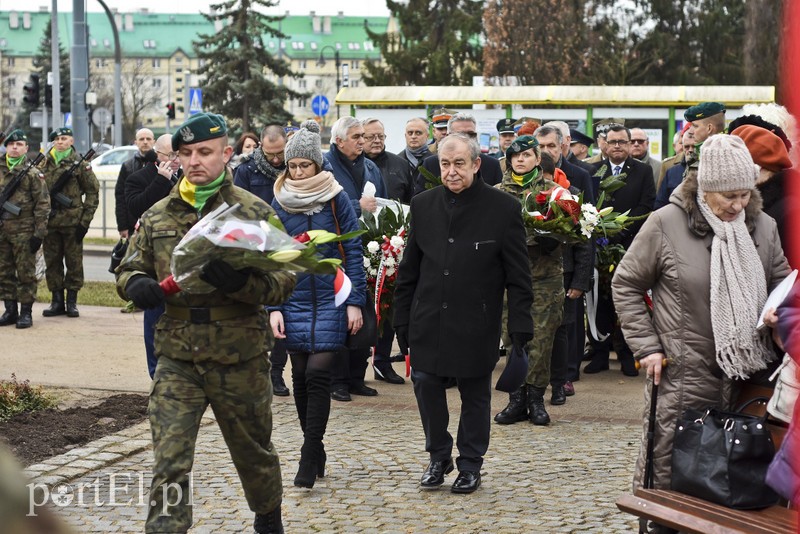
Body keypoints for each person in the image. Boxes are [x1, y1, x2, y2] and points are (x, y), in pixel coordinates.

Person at [116, 113, 294, 534]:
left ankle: (268, 516)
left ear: (226, 154)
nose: (195, 161)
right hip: (178, 356)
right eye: (186, 153)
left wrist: (243, 285)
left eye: (205, 152)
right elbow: (128, 269)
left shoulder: (253, 211)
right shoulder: (158, 214)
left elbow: (285, 279)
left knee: (253, 453)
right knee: (170, 459)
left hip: (239, 355)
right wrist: (137, 284)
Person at [611, 134, 790, 530]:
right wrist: (648, 347)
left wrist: (779, 312)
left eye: (745, 194)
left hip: (747, 376)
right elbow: (625, 284)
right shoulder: (665, 223)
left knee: (733, 478)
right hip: (683, 374)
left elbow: (782, 283)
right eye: (728, 196)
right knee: (671, 468)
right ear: (705, 187)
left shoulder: (763, 225)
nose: (738, 205)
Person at [393, 133, 533, 494]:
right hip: (428, 318)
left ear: (475, 164)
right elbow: (409, 269)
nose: (451, 172)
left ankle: (470, 463)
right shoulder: (423, 205)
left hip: (476, 321)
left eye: (459, 164)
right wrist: (401, 318)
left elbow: (519, 277)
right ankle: (438, 456)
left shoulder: (502, 209)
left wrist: (520, 327)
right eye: (445, 164)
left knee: (475, 394)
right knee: (425, 385)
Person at [269, 120, 366, 488]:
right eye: (292, 166)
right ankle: (317, 446)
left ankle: (308, 455)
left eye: (304, 165)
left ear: (317, 165)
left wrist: (354, 300)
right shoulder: (278, 200)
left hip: (331, 295)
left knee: (317, 374)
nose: (297, 172)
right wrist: (273, 307)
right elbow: (272, 258)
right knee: (299, 377)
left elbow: (352, 248)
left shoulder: (336, 196)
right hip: (293, 298)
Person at [493, 136, 565, 425]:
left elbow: (574, 230)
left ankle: (536, 398)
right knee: (512, 338)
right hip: (508, 277)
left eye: (526, 155)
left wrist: (553, 237)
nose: (520, 160)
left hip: (545, 276)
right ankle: (516, 399)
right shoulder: (496, 193)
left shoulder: (555, 192)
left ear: (538, 158)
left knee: (542, 339)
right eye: (515, 156)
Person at [325, 116, 388, 401]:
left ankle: (356, 377)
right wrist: (356, 206)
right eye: (356, 137)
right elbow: (323, 207)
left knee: (365, 318)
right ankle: (336, 380)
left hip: (368, 251)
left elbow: (384, 205)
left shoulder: (372, 167)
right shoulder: (325, 168)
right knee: (340, 319)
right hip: (336, 254)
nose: (363, 141)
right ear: (339, 141)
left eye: (363, 136)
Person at [584, 124, 655, 376]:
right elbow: (589, 205)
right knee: (600, 300)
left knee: (626, 302)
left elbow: (647, 205)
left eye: (622, 142)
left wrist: (620, 229)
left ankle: (626, 354)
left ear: (628, 144)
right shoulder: (593, 170)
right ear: (604, 144)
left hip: (630, 245)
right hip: (600, 245)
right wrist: (602, 230)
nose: (617, 146)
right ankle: (600, 353)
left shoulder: (643, 171)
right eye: (612, 141)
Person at [233, 123, 291, 396]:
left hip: (288, 248)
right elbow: (237, 210)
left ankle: (276, 373)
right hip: (257, 250)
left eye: (280, 153)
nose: (277, 160)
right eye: (271, 155)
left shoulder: (296, 168)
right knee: (260, 313)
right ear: (260, 149)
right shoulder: (246, 172)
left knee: (283, 314)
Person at [124, 133, 182, 379]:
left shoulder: (190, 177)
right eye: (171, 155)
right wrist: (161, 182)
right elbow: (138, 208)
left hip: (183, 260)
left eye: (179, 154)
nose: (177, 160)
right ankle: (156, 375)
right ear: (158, 155)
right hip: (156, 262)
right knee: (156, 320)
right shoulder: (139, 178)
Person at [41, 127, 100, 319]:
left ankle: (72, 302)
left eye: (63, 138)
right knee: (52, 263)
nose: (60, 142)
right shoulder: (44, 163)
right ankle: (57, 301)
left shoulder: (80, 165)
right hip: (50, 222)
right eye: (57, 139)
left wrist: (85, 221)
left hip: (73, 222)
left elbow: (92, 191)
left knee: (74, 263)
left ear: (71, 141)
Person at [0, 129, 50, 329]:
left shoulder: (32, 173)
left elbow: (43, 205)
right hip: (2, 231)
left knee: (25, 273)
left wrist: (38, 234)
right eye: (11, 144)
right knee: (3, 272)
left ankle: (26, 313)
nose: (14, 147)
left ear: (26, 148)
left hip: (24, 231)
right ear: (6, 146)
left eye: (19, 144)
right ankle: (10, 310)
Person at [414, 113, 504, 196]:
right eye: (460, 135)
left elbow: (499, 199)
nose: (467, 139)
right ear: (448, 136)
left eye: (471, 134)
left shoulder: (492, 165)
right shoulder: (431, 164)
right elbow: (421, 201)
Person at [363, 117, 414, 204]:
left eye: (381, 136)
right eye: (371, 137)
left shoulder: (401, 164)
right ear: (361, 139)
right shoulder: (353, 165)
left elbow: (410, 200)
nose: (377, 141)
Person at [115, 128, 155, 238]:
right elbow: (120, 196)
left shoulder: (161, 164)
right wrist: (122, 225)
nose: (145, 141)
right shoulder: (127, 166)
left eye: (148, 139)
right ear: (136, 142)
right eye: (141, 139)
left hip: (157, 221)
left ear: (154, 142)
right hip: (133, 224)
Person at [654, 128, 695, 210]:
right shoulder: (671, 172)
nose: (690, 150)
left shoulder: (708, 170)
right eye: (687, 147)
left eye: (694, 146)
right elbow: (660, 204)